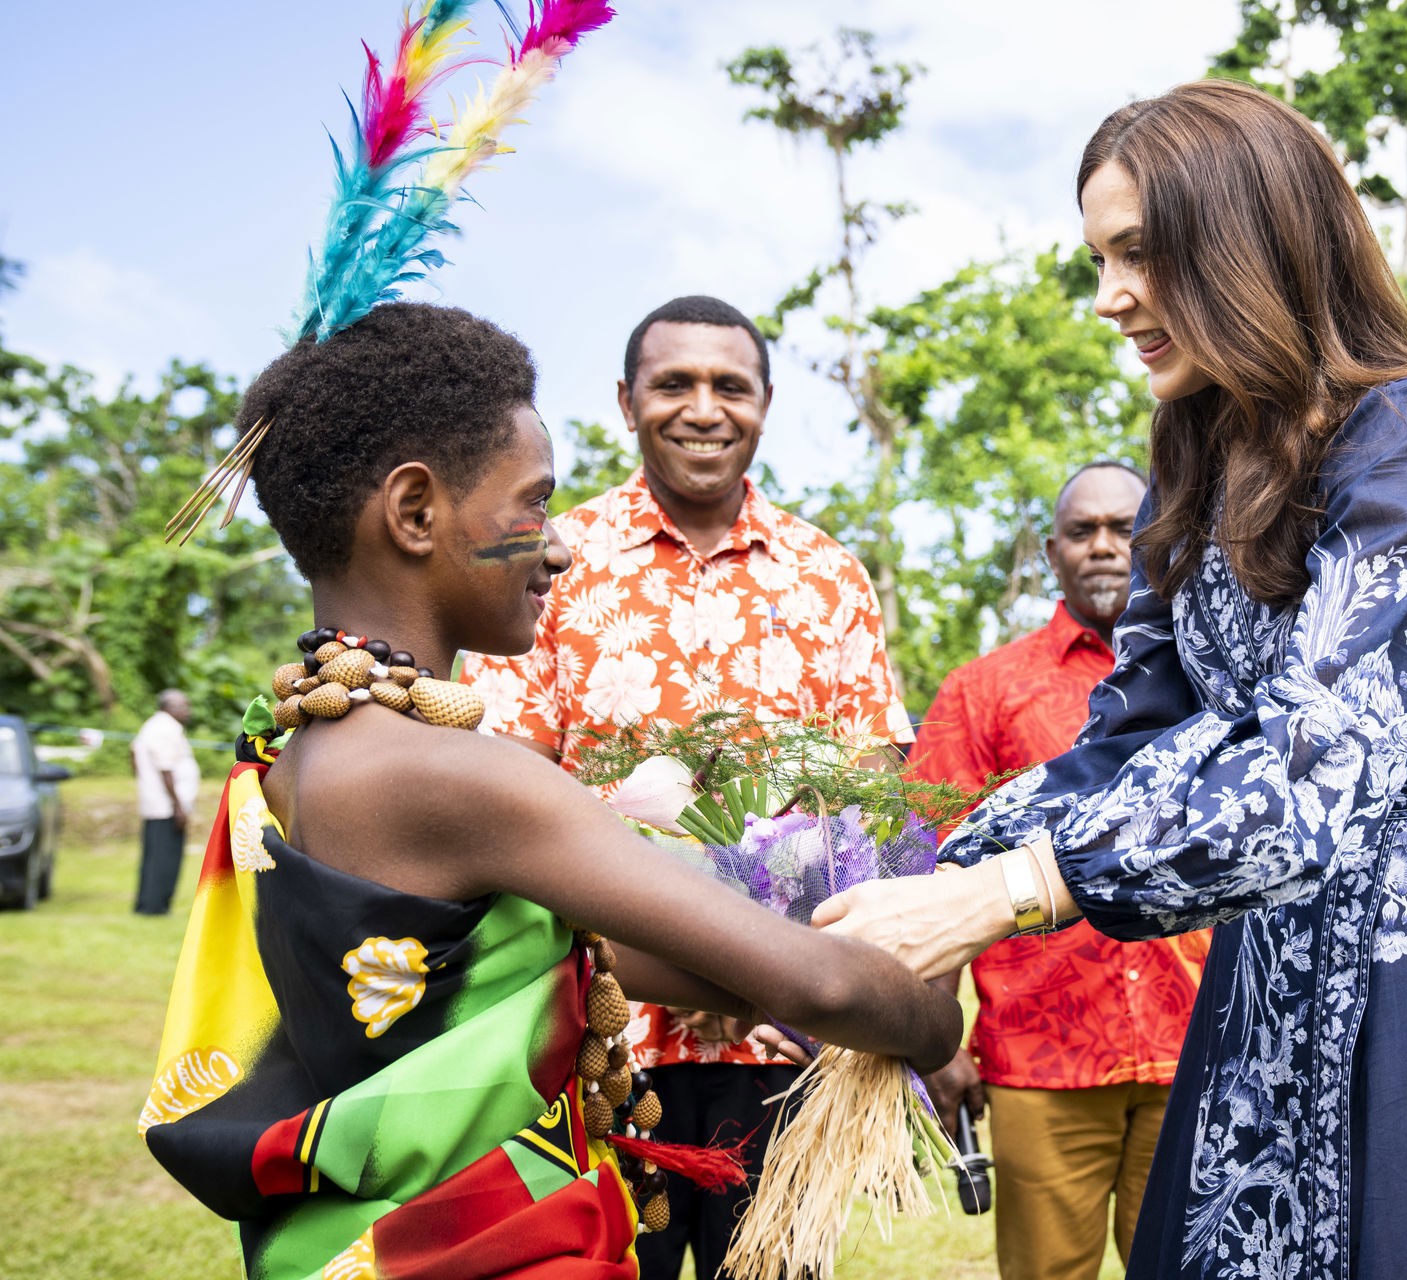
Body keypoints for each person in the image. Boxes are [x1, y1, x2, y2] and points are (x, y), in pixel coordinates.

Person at [810, 81, 1407, 1280]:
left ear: (1244, 240)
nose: (1108, 297)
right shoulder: (1191, 458)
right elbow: (1127, 740)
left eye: (1138, 254)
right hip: (1265, 981)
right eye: (1100, 258)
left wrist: (1011, 895)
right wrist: (898, 897)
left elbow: (1313, 782)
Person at [142, 302, 960, 1280]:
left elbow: (560, 950)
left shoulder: (298, 744)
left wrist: (768, 946)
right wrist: (931, 1015)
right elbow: (816, 982)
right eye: (531, 504)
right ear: (413, 514)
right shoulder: (456, 775)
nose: (560, 546)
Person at [461, 294, 915, 1280]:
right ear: (626, 401)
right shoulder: (551, 565)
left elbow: (869, 797)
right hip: (596, 1029)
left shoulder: (827, 574)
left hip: (784, 1040)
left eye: (728, 385)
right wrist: (674, 955)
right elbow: (499, 792)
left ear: (764, 403)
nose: (702, 407)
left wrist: (773, 971)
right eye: (674, 384)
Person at [909, 461, 1209, 1280]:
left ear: (1162, 542)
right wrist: (936, 1039)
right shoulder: (984, 692)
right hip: (1045, 1059)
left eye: (1127, 529)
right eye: (1084, 532)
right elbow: (930, 865)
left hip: (1201, 1049)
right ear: (1052, 552)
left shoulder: (1212, 680)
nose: (1106, 547)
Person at [131, 689, 198, 915]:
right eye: (184, 705)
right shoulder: (166, 728)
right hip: (165, 807)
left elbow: (133, 754)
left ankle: (147, 903)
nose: (188, 710)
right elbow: (166, 768)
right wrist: (177, 806)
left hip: (156, 803)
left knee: (153, 856)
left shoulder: (152, 725)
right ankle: (155, 906)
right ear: (169, 707)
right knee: (165, 858)